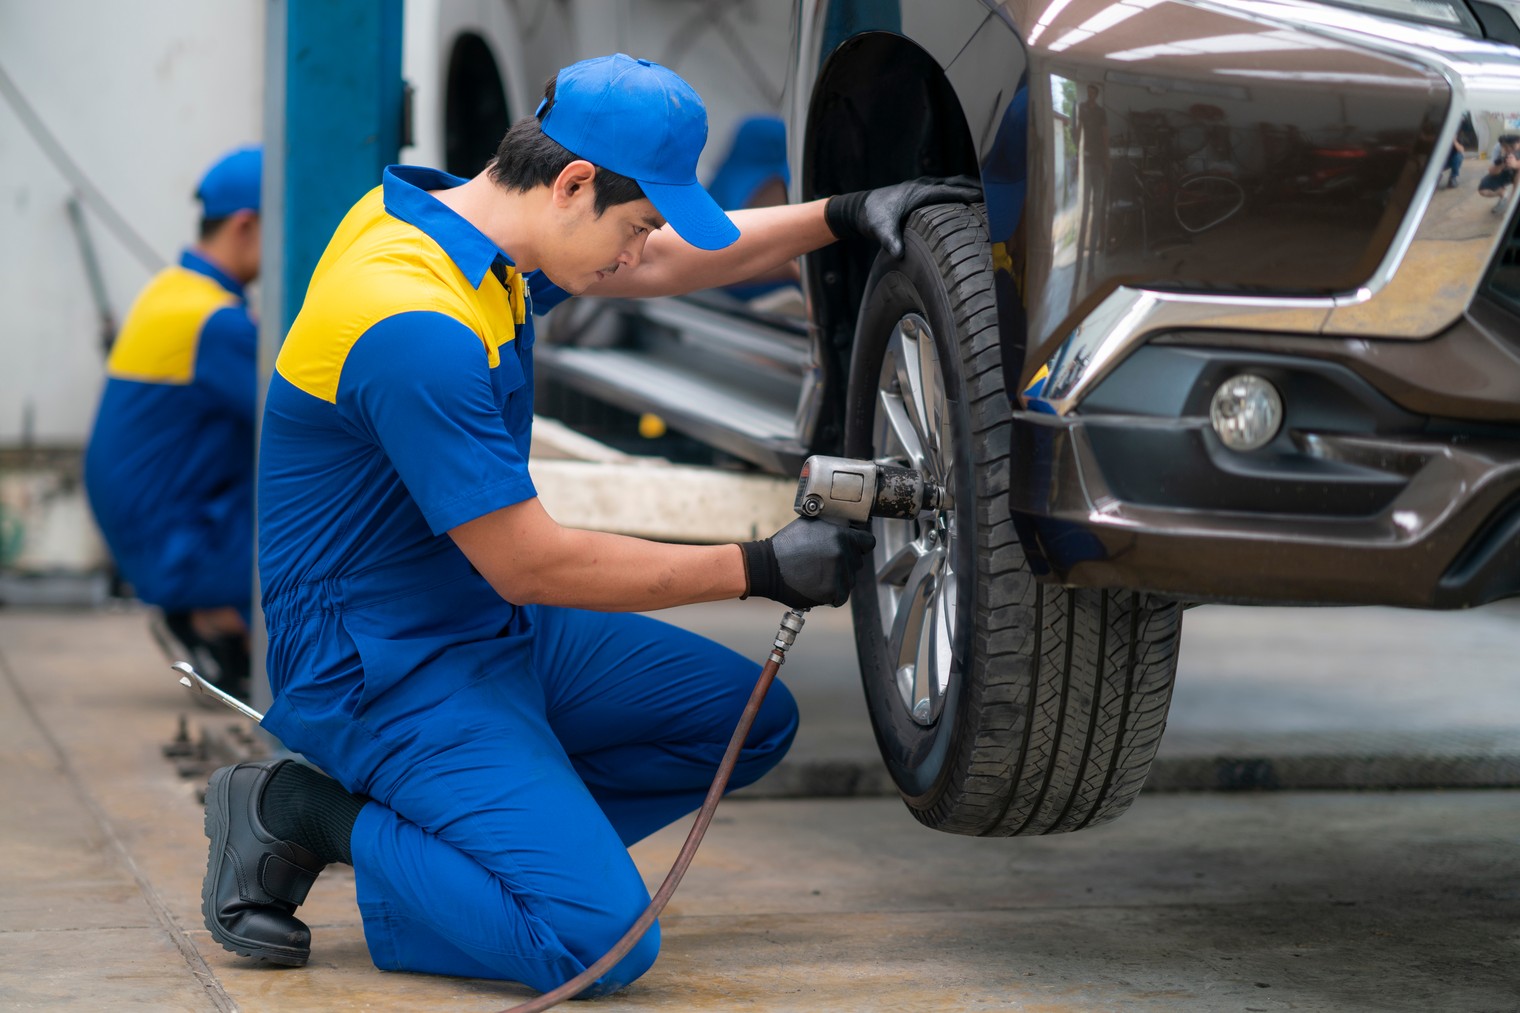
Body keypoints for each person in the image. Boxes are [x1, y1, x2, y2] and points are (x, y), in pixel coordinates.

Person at [200, 54, 978, 997]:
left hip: (480, 621)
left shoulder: (471, 229)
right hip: (382, 664)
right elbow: (531, 562)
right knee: (598, 941)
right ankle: (308, 812)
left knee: (749, 720)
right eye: (637, 221)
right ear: (573, 183)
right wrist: (760, 566)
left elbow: (667, 258)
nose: (638, 249)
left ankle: (490, 850)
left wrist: (842, 216)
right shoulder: (413, 323)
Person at [84, 145, 262, 701]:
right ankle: (217, 615)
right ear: (245, 226)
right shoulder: (216, 323)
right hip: (180, 547)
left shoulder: (172, 292)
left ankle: (214, 616)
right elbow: (305, 419)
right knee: (338, 516)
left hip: (145, 537)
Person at [1478, 134, 1520, 212]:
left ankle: (1513, 203)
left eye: (1513, 147)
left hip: (1517, 173)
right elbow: (1492, 171)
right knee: (1483, 190)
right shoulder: (1498, 148)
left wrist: (1516, 164)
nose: (1510, 150)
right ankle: (1504, 195)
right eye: (1507, 147)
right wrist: (1502, 162)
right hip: (1504, 172)